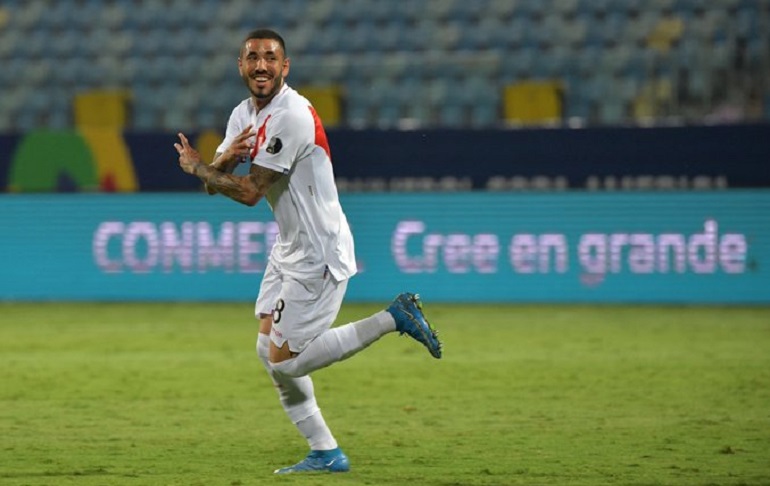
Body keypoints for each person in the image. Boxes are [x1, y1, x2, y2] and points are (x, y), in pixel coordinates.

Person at [172, 28, 442, 474]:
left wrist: (203, 166)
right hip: (289, 246)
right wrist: (216, 162)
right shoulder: (243, 113)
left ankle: (395, 316)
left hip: (319, 251)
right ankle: (326, 452)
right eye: (253, 57)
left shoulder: (292, 115)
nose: (262, 65)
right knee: (268, 353)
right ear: (240, 66)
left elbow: (249, 193)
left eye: (271, 58)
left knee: (288, 362)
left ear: (286, 67)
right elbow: (212, 185)